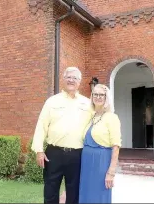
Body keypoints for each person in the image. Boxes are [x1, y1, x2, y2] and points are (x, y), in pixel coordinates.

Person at [31, 67, 93, 204]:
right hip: (54, 153)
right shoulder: (52, 101)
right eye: (68, 77)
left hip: (77, 154)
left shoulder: (87, 103)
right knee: (50, 190)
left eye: (75, 78)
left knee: (74, 191)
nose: (71, 80)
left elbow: (96, 124)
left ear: (80, 82)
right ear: (64, 79)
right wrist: (39, 150)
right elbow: (41, 126)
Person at [79, 84, 122, 203]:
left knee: (98, 195)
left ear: (106, 97)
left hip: (101, 162)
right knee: (85, 193)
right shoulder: (91, 117)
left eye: (101, 95)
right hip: (86, 162)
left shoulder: (112, 118)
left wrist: (111, 172)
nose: (98, 97)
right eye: (95, 94)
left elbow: (116, 146)